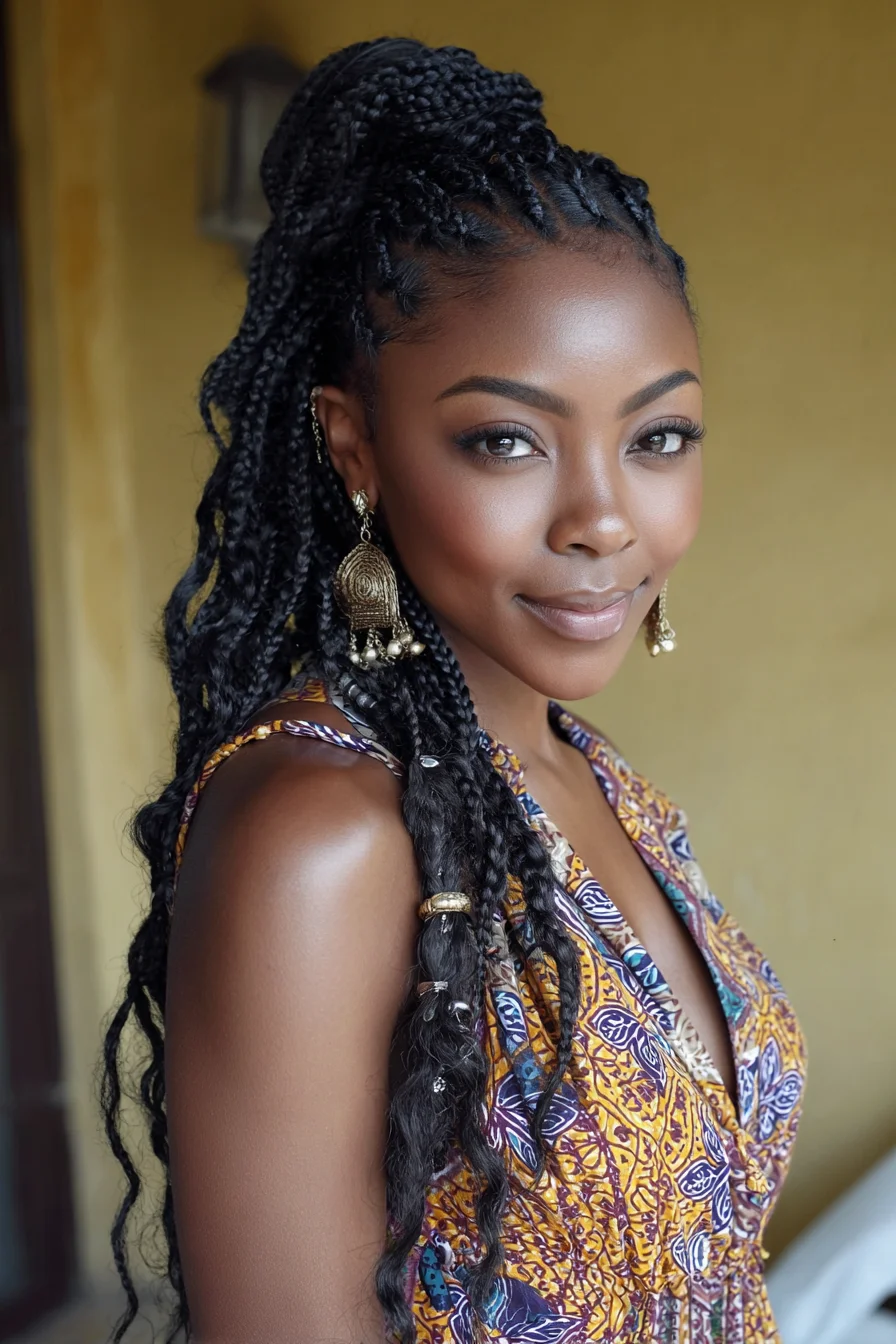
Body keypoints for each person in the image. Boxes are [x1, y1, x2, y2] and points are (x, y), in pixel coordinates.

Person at [101, 37, 807, 1344]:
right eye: (506, 441)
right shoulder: (315, 838)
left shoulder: (589, 776)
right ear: (354, 444)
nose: (604, 520)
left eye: (658, 436)